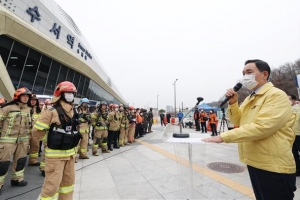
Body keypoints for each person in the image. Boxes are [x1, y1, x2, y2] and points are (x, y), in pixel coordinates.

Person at [203, 59, 296, 200]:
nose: (245, 76)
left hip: (273, 165)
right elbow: (238, 121)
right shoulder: (249, 98)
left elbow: (263, 127)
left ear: (264, 74)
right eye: (243, 73)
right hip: (255, 160)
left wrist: (224, 137)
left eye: (249, 72)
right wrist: (233, 103)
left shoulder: (276, 95)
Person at [33, 81, 81, 199]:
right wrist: (49, 141)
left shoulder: (74, 112)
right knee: (51, 188)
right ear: (60, 94)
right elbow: (36, 132)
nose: (70, 95)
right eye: (67, 93)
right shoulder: (51, 112)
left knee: (68, 185)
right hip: (55, 158)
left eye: (72, 93)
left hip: (70, 156)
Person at [0, 87, 32, 194]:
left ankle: (17, 179)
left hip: (23, 141)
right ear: (17, 97)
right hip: (7, 141)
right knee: (3, 163)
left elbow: (30, 125)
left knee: (21, 161)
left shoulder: (29, 109)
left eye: (27, 97)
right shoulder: (7, 108)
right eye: (23, 96)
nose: (25, 98)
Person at [28, 94, 42, 166]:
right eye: (31, 100)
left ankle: (33, 161)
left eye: (34, 100)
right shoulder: (26, 108)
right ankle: (18, 160)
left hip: (35, 132)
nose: (33, 101)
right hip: (26, 132)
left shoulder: (39, 110)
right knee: (22, 148)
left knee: (35, 147)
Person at [289, 94, 300, 176]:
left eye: (289, 99)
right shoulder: (288, 109)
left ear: (293, 100)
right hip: (291, 135)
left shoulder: (297, 108)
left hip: (298, 134)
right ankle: (298, 170)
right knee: (294, 153)